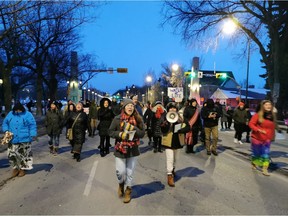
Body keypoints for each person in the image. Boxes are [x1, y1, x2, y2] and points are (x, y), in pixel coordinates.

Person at [108, 98, 145, 203]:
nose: (130, 107)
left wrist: (133, 128)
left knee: (130, 172)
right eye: (128, 105)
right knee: (120, 172)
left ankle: (128, 190)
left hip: (133, 149)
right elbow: (110, 132)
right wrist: (119, 134)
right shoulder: (117, 119)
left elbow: (142, 133)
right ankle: (121, 184)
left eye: (132, 106)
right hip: (120, 148)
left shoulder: (138, 119)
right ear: (124, 107)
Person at [2, 102, 37, 177]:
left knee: (23, 155)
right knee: (11, 154)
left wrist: (33, 134)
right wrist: (6, 130)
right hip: (12, 138)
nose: (18, 111)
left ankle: (22, 169)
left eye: (19, 110)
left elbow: (32, 125)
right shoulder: (10, 114)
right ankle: (15, 168)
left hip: (24, 138)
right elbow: (5, 123)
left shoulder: (28, 114)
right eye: (16, 110)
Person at [161, 102, 189, 187]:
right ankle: (169, 175)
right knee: (170, 158)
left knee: (175, 159)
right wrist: (167, 124)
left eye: (174, 108)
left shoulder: (181, 118)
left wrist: (181, 130)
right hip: (168, 142)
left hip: (177, 141)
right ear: (168, 109)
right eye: (171, 108)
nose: (172, 110)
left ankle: (173, 169)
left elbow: (188, 127)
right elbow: (163, 130)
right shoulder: (165, 117)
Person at [248, 100, 277, 176]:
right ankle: (254, 163)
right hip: (257, 138)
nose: (268, 106)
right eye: (266, 104)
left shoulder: (272, 116)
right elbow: (251, 124)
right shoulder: (257, 115)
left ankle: (265, 169)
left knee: (266, 154)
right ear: (262, 106)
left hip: (267, 139)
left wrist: (273, 136)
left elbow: (273, 127)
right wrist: (258, 130)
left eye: (269, 104)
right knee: (256, 154)